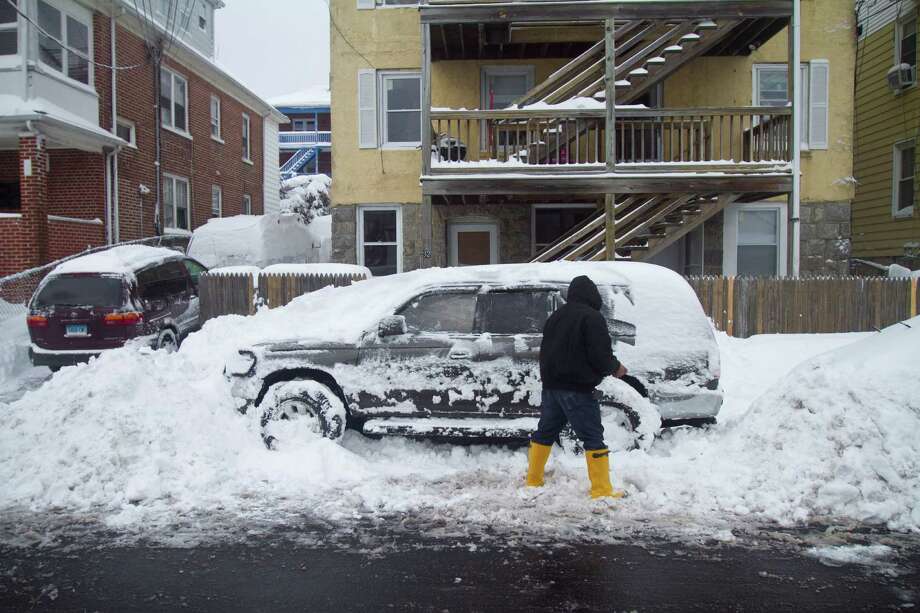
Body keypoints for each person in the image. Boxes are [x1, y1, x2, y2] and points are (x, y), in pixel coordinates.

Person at [525, 275, 628, 500]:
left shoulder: (556, 316)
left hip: (552, 388)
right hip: (577, 389)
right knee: (592, 437)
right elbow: (600, 355)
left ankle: (533, 480)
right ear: (593, 295)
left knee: (545, 432)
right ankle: (601, 490)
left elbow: (546, 352)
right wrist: (615, 367)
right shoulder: (592, 318)